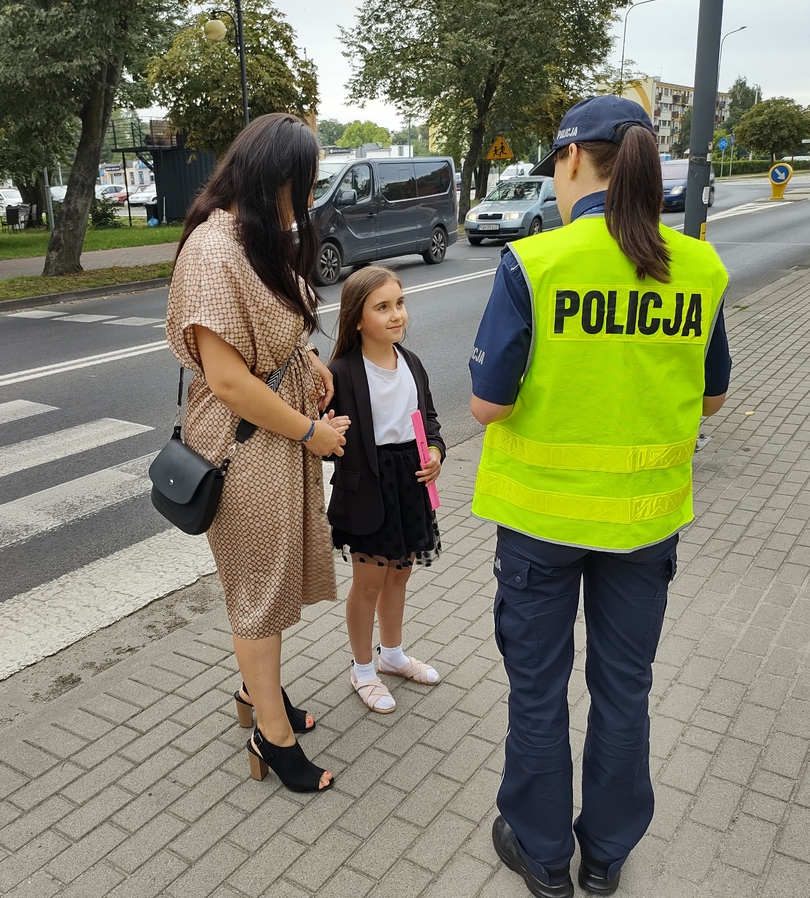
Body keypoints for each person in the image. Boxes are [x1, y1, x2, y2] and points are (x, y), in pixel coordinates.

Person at [469, 96, 731, 898]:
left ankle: (545, 858)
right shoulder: (699, 267)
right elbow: (713, 398)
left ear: (574, 160)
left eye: (553, 162)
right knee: (625, 691)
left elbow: (489, 404)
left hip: (542, 523)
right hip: (645, 525)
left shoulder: (537, 262)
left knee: (539, 690)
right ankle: (607, 857)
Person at [165, 113, 351, 794]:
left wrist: (306, 358)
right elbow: (229, 380)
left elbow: (266, 334)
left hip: (271, 440)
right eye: (303, 181)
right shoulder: (215, 251)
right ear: (276, 177)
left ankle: (257, 693)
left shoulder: (253, 237)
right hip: (246, 451)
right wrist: (311, 432)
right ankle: (269, 736)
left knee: (268, 586)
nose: (307, 196)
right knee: (258, 596)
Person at [326, 266, 445, 714]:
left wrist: (435, 452)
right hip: (367, 490)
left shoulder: (410, 362)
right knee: (369, 582)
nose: (397, 315)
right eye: (383, 307)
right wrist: (327, 432)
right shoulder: (340, 372)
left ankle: (392, 655)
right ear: (357, 318)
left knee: (401, 572)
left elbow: (429, 419)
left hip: (409, 483)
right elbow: (323, 441)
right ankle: (362, 668)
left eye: (400, 303)